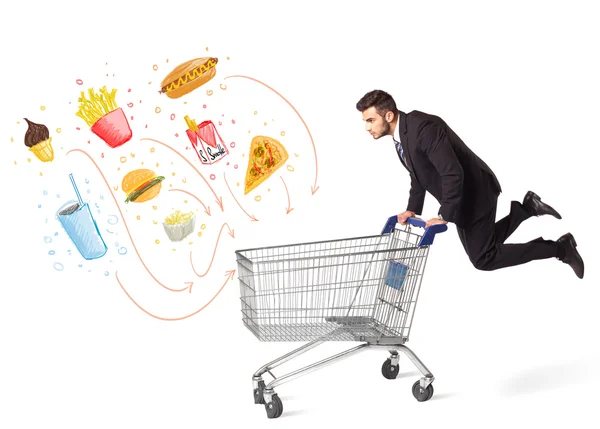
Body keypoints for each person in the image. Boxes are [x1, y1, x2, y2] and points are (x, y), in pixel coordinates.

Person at [356, 89, 584, 279]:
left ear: (388, 116)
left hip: (476, 193)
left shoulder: (423, 128)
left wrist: (443, 215)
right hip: (463, 200)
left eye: (370, 120)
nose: (367, 127)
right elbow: (418, 174)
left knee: (484, 258)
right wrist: (413, 208)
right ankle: (526, 209)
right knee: (484, 247)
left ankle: (561, 248)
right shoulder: (402, 136)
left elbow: (453, 173)